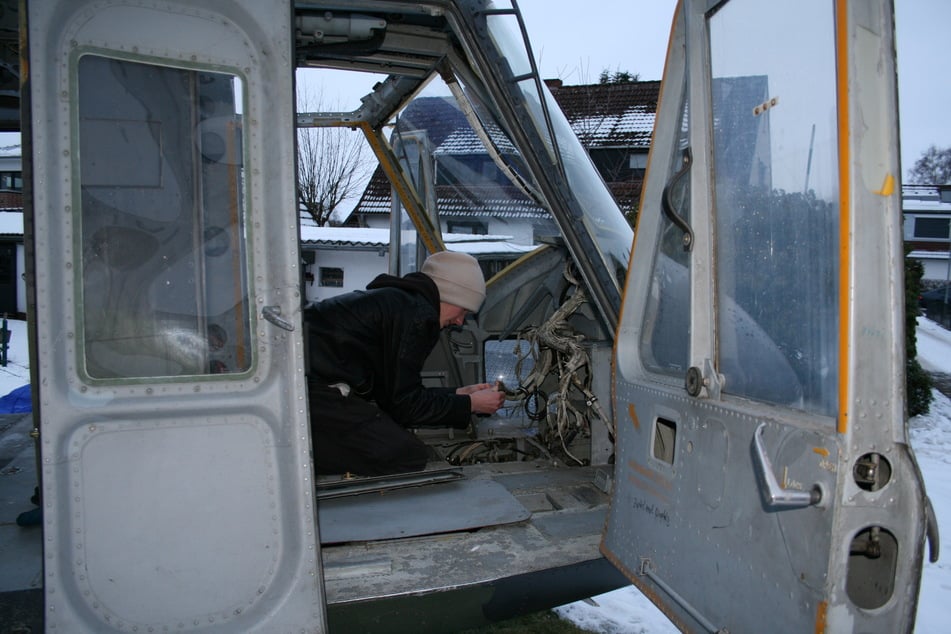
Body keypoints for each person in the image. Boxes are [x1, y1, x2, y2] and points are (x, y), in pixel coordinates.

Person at [304, 251, 505, 476]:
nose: (459, 321)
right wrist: (470, 405)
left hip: (308, 384)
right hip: (311, 391)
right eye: (464, 310)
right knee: (405, 454)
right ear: (450, 295)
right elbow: (404, 407)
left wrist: (459, 394)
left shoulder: (400, 302)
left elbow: (396, 394)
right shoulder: (417, 315)